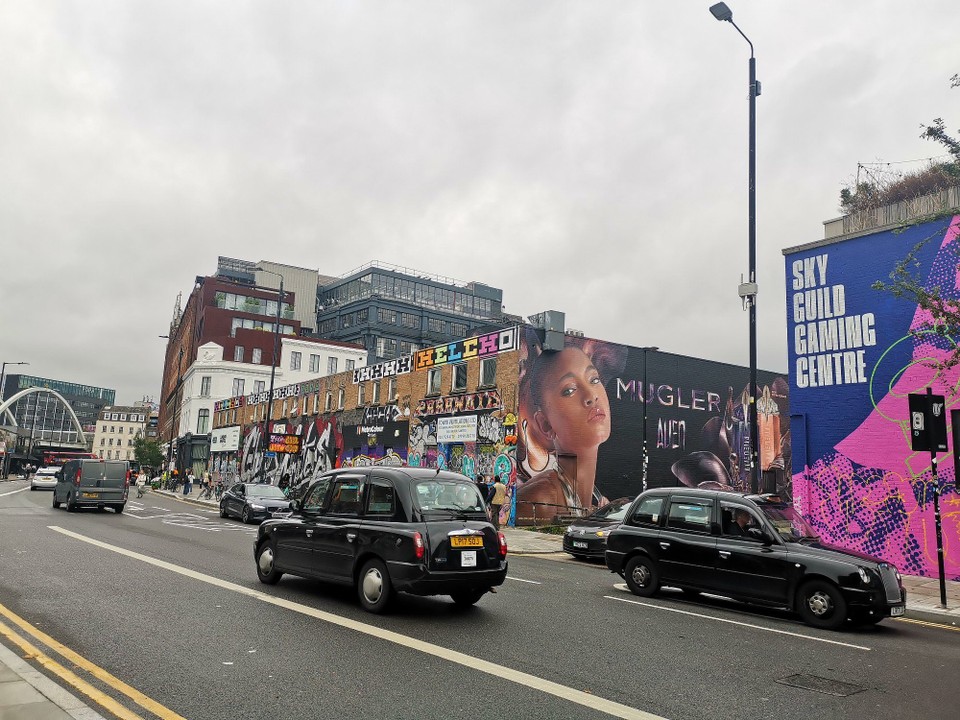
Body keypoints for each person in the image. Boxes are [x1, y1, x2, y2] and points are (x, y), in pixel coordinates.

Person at [517, 345, 611, 520]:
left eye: (594, 379)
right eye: (569, 390)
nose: (591, 396)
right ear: (546, 425)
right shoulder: (540, 501)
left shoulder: (592, 498)